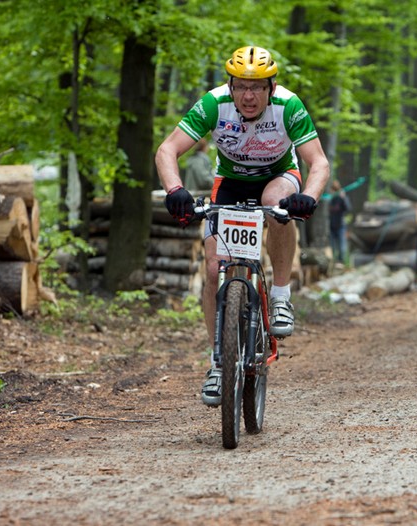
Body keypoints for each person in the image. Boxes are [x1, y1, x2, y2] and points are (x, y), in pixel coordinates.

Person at [155, 46, 330, 407]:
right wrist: (175, 190)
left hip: (278, 176)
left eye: (257, 87)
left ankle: (280, 298)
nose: (248, 96)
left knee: (274, 204)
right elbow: (167, 150)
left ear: (272, 87)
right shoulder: (213, 104)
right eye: (240, 87)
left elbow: (319, 162)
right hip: (231, 181)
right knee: (211, 268)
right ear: (230, 86)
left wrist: (308, 197)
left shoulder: (290, 106)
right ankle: (219, 363)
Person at [328, 179, 351, 264]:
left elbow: (348, 208)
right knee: (333, 247)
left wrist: (343, 198)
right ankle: (334, 262)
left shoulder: (341, 198)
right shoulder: (331, 199)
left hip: (341, 225)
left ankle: (343, 262)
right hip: (332, 226)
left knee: (342, 247)